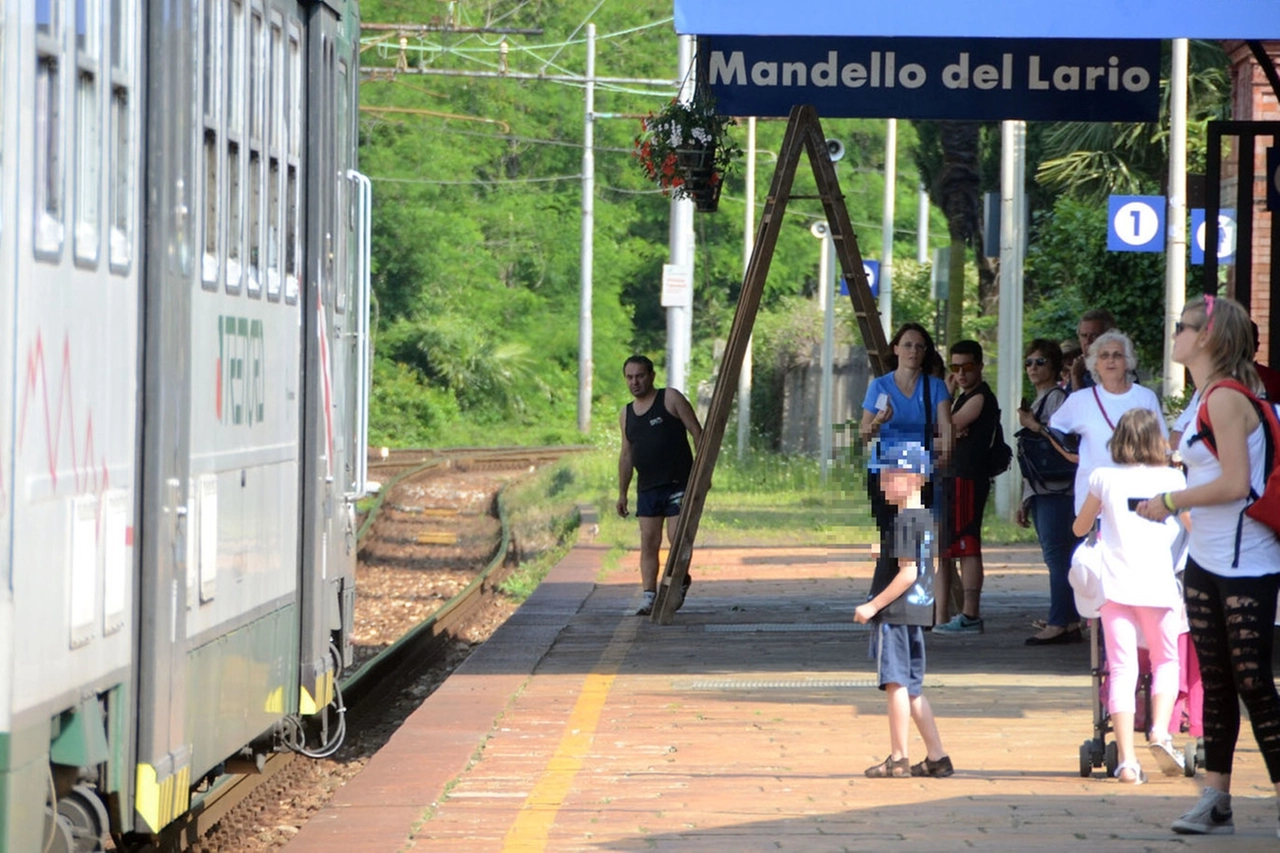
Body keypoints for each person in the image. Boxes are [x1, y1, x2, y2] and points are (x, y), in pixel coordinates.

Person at [1137, 295, 1280, 836]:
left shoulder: (1224, 397)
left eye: (1182, 327)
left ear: (1208, 339)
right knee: (1218, 682)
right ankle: (1215, 799)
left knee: (1253, 682)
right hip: (1207, 561)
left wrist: (1170, 502)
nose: (1175, 332)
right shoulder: (1201, 397)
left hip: (1248, 562)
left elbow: (1235, 484)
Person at [1073, 409, 1189, 784]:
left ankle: (1126, 761)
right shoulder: (1173, 478)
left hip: (1116, 586)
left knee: (1122, 668)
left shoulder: (1102, 477)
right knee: (1166, 660)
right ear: (1156, 439)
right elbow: (1193, 525)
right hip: (1158, 585)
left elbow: (1079, 525)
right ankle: (1159, 731)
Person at [854, 440, 953, 779]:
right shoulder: (924, 519)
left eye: (887, 475)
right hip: (916, 614)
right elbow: (931, 565)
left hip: (895, 617)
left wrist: (872, 605)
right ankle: (937, 756)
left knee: (895, 684)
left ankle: (899, 757)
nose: (881, 483)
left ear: (912, 477)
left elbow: (908, 571)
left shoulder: (904, 522)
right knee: (912, 688)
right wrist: (885, 554)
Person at [859, 323, 953, 600]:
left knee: (912, 540)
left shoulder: (934, 388)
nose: (913, 351)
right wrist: (878, 420)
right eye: (908, 345)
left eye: (920, 346)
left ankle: (900, 599)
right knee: (891, 536)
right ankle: (881, 597)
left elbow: (946, 426)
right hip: (886, 472)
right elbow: (863, 433)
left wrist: (946, 456)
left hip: (920, 474)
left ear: (926, 352)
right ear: (896, 349)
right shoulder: (881, 386)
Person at [617, 355, 703, 616]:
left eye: (640, 376)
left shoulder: (670, 399)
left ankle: (678, 583)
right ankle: (649, 596)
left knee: (677, 539)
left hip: (679, 482)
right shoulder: (627, 414)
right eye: (630, 377)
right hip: (647, 488)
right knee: (648, 542)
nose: (635, 382)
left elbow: (698, 433)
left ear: (652, 376)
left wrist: (703, 474)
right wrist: (622, 492)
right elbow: (626, 455)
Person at [1050, 329, 1167, 515]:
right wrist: (1069, 454)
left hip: (1138, 494)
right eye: (1104, 356)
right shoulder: (1080, 400)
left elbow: (1161, 444)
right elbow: (1054, 428)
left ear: (1127, 362)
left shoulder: (1145, 397)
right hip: (1094, 498)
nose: (1110, 360)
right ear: (1095, 363)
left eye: (1117, 355)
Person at [1015, 339, 1083, 645]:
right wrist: (1025, 497)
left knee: (1057, 558)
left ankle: (1059, 621)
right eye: (1028, 362)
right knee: (1060, 557)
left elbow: (1062, 443)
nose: (1032, 368)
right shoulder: (1043, 398)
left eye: (1039, 362)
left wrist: (1033, 426)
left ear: (1054, 366)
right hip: (1044, 489)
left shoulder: (1057, 398)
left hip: (1057, 489)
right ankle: (1067, 619)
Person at [933, 340, 998, 635]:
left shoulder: (980, 397)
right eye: (955, 367)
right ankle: (947, 615)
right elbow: (946, 430)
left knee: (967, 546)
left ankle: (970, 614)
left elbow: (944, 428)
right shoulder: (963, 396)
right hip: (955, 476)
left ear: (980, 366)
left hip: (968, 478)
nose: (961, 374)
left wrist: (948, 421)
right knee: (951, 548)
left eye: (967, 367)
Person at [1071, 309, 1117, 391]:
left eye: (1094, 335)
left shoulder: (1117, 369)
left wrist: (1076, 378)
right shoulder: (1080, 368)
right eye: (1084, 335)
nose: (1088, 341)